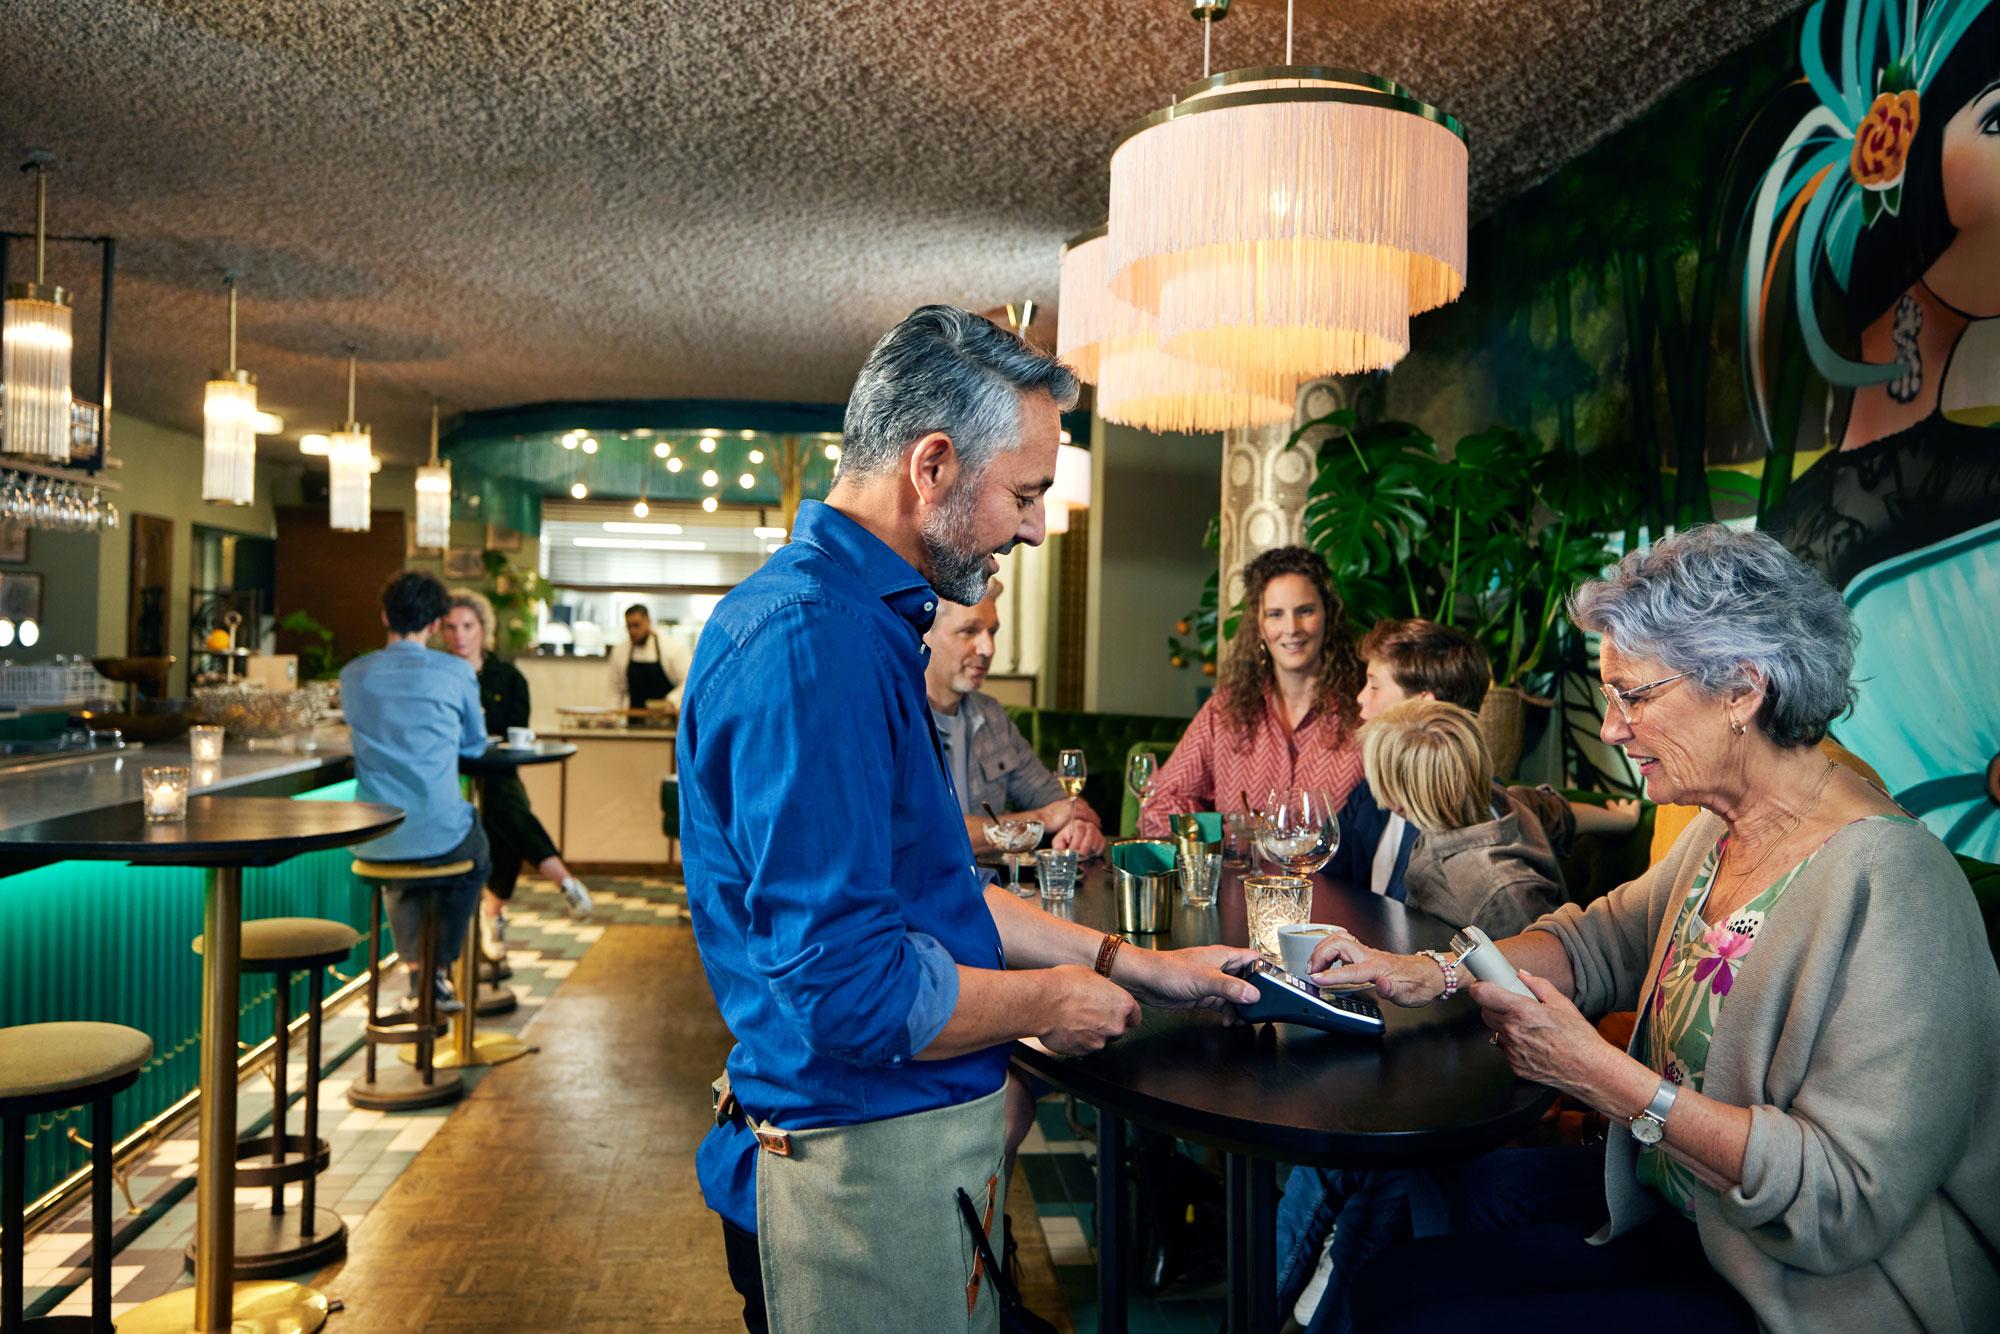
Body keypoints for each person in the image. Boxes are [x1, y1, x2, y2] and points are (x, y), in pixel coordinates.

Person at [678, 305, 1261, 1333]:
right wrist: (1052, 1000)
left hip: (892, 1143)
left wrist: (1134, 963)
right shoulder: (818, 647)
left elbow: (937, 897)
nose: (1035, 525)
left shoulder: (853, 622)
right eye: (1025, 493)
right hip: (854, 1160)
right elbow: (848, 992)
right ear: (932, 465)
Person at [1305, 525, 2000, 1331]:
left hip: (1811, 1291)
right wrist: (1434, 972)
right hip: (1697, 1221)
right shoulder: (1722, 830)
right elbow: (1597, 941)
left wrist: (1603, 1076)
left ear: (1743, 690)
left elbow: (1841, 1200)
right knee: (1394, 1279)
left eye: (1633, 694)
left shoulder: (1895, 886)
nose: (1610, 727)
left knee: (1420, 1312)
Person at [1275, 697, 1568, 1334]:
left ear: (1402, 793)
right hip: (1435, 1058)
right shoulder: (1491, 816)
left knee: (1340, 1160)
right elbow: (1554, 809)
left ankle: (1284, 1313)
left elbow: (1525, 1011)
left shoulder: (1495, 887)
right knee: (1343, 1167)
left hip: (1476, 1089)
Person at [1329, 618, 1638, 900]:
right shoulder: (1371, 795)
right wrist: (1617, 819)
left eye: (1374, 685)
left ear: (1424, 708)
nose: (1360, 698)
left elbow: (1536, 810)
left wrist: (1624, 823)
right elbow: (1553, 811)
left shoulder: (1472, 811)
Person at [340, 570, 492, 1020]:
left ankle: (416, 972)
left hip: (371, 835)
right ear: (434, 624)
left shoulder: (353, 675)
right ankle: (438, 967)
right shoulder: (457, 672)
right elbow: (473, 744)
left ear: (385, 615)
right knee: (476, 856)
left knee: (399, 862)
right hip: (440, 832)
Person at [1140, 546, 1365, 836]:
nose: (1291, 628)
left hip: (1331, 881)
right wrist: (1227, 834)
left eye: (1305, 611)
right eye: (1275, 614)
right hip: (1241, 880)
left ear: (1328, 616)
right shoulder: (1225, 710)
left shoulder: (1365, 712)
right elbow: (1159, 805)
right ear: (1259, 624)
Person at [439, 590, 593, 967]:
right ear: (441, 631)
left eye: (468, 626)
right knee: (508, 810)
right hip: (448, 779)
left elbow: (515, 732)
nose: (460, 635)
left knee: (502, 807)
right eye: (451, 627)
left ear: (483, 630)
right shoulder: (436, 676)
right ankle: (556, 882)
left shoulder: (507, 678)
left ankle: (492, 914)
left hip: (496, 773)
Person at [923, 580, 1105, 859]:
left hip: (995, 890)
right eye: (969, 631)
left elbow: (1065, 804)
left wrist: (1079, 828)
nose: (988, 649)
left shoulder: (992, 717)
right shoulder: (897, 715)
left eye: (992, 632)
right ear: (924, 635)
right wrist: (1040, 819)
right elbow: (925, 833)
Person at [607, 603, 693, 711]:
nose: (632, 631)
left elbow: (689, 681)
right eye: (629, 626)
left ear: (648, 621)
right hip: (634, 720)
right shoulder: (620, 652)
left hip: (666, 722)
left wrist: (672, 700)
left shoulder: (672, 648)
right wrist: (612, 716)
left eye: (636, 625)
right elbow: (616, 690)